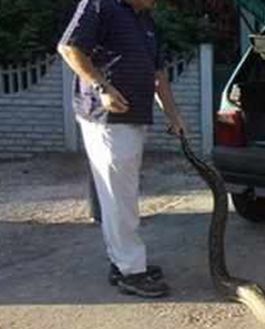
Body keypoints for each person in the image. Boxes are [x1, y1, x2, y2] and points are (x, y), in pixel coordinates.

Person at [58, 0, 186, 298]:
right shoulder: (99, 5)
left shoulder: (146, 21)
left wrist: (173, 115)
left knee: (121, 193)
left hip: (134, 117)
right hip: (106, 119)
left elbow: (159, 75)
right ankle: (130, 271)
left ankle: (123, 261)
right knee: (119, 196)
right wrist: (102, 88)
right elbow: (69, 48)